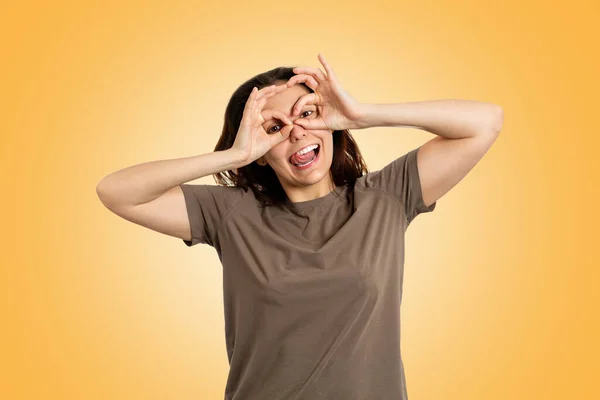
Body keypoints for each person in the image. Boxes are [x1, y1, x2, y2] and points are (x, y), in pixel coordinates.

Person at [96, 54, 502, 399]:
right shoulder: (231, 214)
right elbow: (117, 191)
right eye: (274, 128)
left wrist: (363, 115)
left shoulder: (386, 197)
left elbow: (485, 122)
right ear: (260, 150)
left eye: (307, 114)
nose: (297, 132)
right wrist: (234, 155)